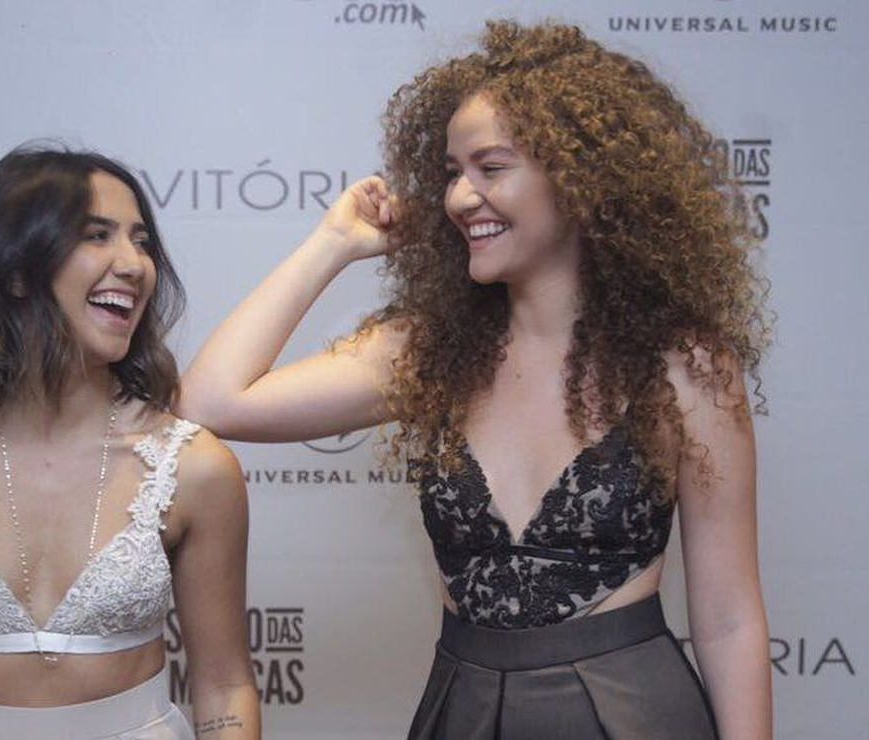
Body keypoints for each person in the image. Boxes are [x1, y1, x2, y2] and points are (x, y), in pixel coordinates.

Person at [179, 20, 771, 739]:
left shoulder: (686, 365)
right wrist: (333, 244)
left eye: (490, 168)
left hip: (634, 713)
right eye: (451, 173)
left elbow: (729, 618)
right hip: (461, 708)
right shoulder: (427, 351)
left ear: (581, 179)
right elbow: (212, 400)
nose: (460, 197)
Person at [0, 147, 260, 739]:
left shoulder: (195, 466)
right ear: (16, 270)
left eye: (141, 241)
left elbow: (224, 687)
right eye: (97, 235)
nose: (134, 264)